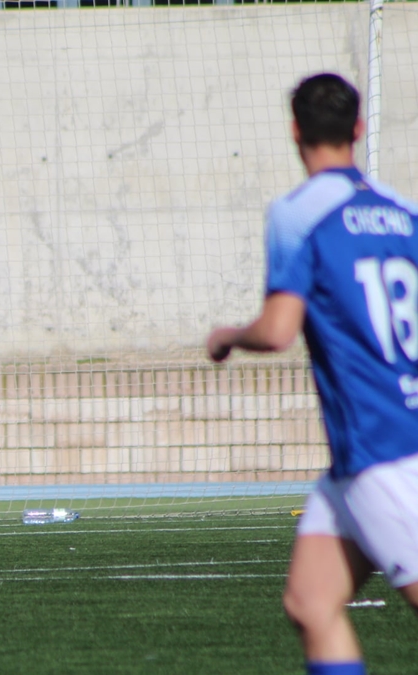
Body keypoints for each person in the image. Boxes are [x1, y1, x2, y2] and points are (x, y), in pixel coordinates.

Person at [206, 73, 418, 675]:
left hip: (383, 448)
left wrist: (226, 338)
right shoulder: (405, 214)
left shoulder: (298, 212)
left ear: (295, 131)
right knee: (311, 601)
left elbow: (276, 331)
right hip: (368, 452)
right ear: (357, 129)